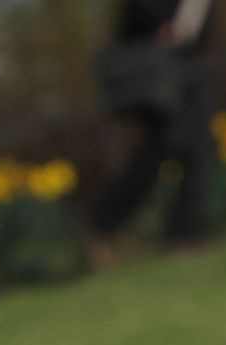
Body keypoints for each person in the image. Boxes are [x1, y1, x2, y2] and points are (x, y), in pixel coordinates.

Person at [90, 0, 217, 254]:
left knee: (199, 149)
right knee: (159, 152)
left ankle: (183, 231)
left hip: (187, 73)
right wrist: (162, 30)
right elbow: (131, 24)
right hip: (160, 78)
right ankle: (104, 222)